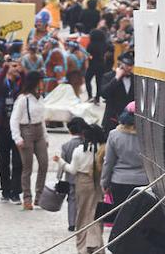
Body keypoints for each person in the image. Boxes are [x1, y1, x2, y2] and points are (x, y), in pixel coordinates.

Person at [102, 111, 149, 248]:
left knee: (121, 220)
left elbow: (108, 162)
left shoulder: (114, 135)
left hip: (119, 181)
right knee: (140, 220)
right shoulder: (146, 136)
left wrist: (104, 182)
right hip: (143, 181)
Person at [64, 123, 105, 254]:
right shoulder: (101, 149)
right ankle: (96, 245)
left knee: (82, 214)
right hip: (97, 183)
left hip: (82, 183)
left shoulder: (79, 151)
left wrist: (60, 162)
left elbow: (72, 170)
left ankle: (83, 247)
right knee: (96, 214)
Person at [11, 70, 49, 210]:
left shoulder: (40, 97)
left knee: (44, 163)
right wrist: (17, 137)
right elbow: (14, 119)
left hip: (39, 131)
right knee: (27, 167)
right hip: (26, 130)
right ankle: (27, 198)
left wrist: (46, 136)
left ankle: (40, 196)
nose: (43, 83)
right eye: (41, 80)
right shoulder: (23, 99)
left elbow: (42, 118)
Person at [0, 54, 24, 204]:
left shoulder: (20, 86)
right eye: (13, 66)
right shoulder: (2, 85)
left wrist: (22, 71)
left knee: (18, 162)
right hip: (2, 127)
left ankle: (16, 192)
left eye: (17, 66)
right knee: (3, 161)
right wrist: (5, 67)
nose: (15, 68)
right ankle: (5, 190)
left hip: (17, 129)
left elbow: (28, 82)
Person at [101, 52, 136, 132]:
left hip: (129, 122)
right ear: (119, 64)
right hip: (112, 120)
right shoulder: (109, 77)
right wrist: (116, 78)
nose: (129, 68)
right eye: (127, 65)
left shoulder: (134, 78)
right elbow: (104, 94)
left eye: (131, 65)